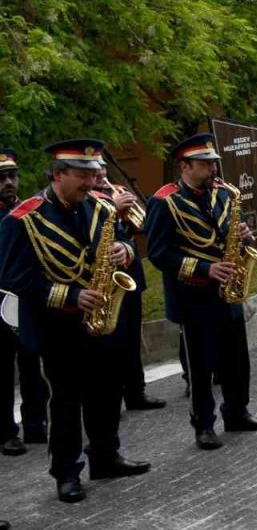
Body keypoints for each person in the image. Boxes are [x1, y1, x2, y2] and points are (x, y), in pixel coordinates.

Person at [0, 139, 152, 503]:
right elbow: (13, 278)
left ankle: (105, 455)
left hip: (102, 314)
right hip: (57, 325)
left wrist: (126, 250)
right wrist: (70, 296)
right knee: (66, 400)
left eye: (94, 173)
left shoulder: (101, 206)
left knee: (107, 390)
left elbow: (126, 242)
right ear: (57, 174)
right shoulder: (23, 219)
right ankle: (66, 472)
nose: (92, 181)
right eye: (83, 175)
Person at [146, 134, 257, 451]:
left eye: (213, 163)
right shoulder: (165, 202)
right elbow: (159, 254)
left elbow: (227, 234)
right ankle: (203, 424)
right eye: (204, 164)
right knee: (201, 367)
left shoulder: (224, 193)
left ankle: (237, 412)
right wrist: (205, 269)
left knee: (237, 359)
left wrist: (243, 236)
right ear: (184, 166)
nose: (213, 169)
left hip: (228, 289)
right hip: (193, 296)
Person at [92, 169, 165, 412]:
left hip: (129, 274)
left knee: (132, 338)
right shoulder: (86, 201)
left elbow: (140, 226)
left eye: (102, 168)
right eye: (95, 170)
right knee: (110, 341)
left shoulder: (116, 191)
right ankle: (110, 400)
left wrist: (124, 218)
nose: (101, 174)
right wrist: (114, 210)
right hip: (104, 281)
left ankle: (136, 392)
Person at [0, 148, 49, 457]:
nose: (8, 182)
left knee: (33, 364)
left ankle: (36, 422)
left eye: (12, 176)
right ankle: (6, 432)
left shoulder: (30, 212)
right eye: (2, 178)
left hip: (28, 299)